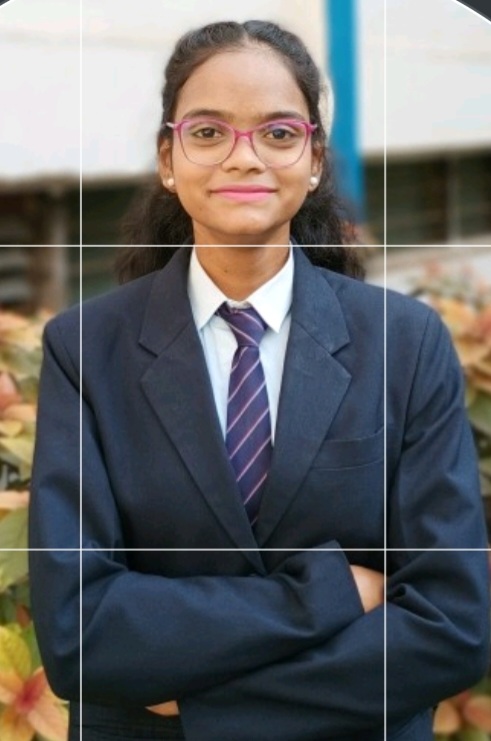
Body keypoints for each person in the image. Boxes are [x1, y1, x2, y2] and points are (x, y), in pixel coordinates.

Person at [28, 19, 489, 741]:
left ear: (313, 160)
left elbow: (451, 622)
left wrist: (208, 706)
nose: (243, 157)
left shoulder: (404, 342)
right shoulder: (85, 350)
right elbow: (79, 634)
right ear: (169, 158)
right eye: (209, 132)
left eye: (277, 133)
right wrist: (330, 593)